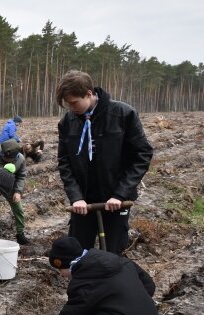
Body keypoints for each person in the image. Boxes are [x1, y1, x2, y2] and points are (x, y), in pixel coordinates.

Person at [56, 70, 153, 254]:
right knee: (77, 255)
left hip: (116, 201)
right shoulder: (67, 122)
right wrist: (76, 197)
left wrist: (121, 193)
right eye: (67, 104)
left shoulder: (123, 114)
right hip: (83, 204)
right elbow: (64, 162)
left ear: (89, 93)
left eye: (74, 103)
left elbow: (142, 154)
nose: (71, 108)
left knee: (112, 256)